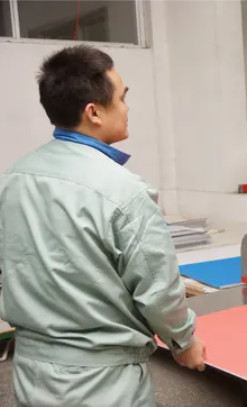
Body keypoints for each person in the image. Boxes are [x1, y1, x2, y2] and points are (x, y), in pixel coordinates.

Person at [0, 45, 206, 406]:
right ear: (93, 112)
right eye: (122, 98)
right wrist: (184, 341)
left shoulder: (12, 179)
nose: (127, 108)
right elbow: (159, 291)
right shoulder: (124, 191)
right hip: (102, 384)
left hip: (30, 376)